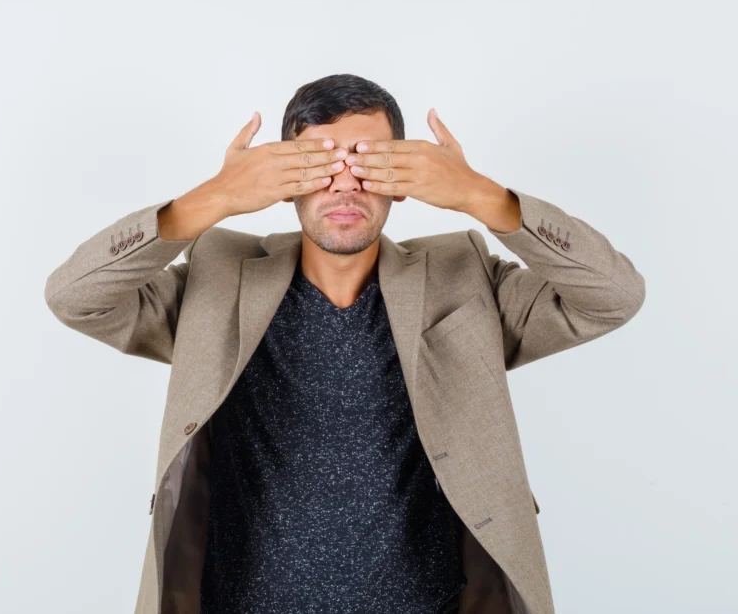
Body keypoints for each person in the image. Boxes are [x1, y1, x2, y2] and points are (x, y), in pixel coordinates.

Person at [44, 73, 645, 614]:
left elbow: (613, 295)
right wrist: (214, 199)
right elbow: (75, 296)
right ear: (282, 182)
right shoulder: (218, 277)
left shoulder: (463, 276)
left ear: (403, 181)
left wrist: (482, 196)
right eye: (317, 166)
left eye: (370, 164)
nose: (345, 186)